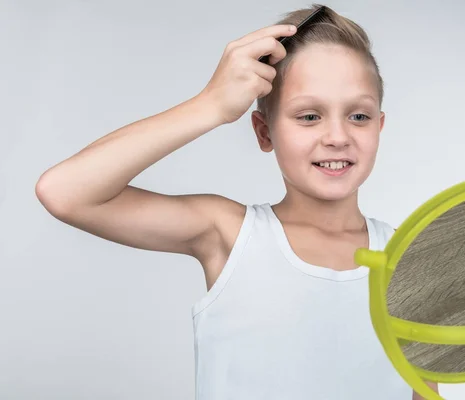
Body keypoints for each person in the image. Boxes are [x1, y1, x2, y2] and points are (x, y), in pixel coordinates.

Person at [35, 4, 439, 400]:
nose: (337, 136)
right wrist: (210, 105)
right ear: (264, 132)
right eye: (309, 116)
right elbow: (66, 192)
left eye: (359, 116)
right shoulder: (228, 233)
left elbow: (425, 391)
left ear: (379, 127)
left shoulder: (414, 260)